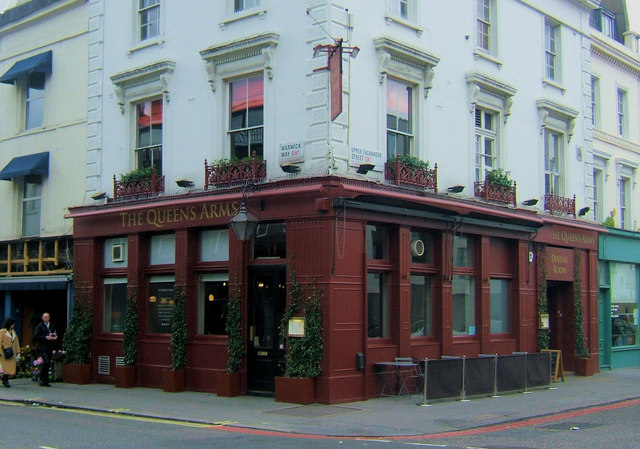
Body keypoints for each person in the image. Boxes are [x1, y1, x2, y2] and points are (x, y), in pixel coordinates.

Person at [34, 312, 57, 387]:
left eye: (48, 317)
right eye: (45, 317)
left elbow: (53, 333)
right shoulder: (39, 326)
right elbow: (36, 336)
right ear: (42, 318)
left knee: (48, 363)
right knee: (46, 362)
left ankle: (45, 380)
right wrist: (45, 337)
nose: (46, 318)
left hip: (49, 347)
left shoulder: (51, 325)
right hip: (42, 347)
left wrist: (54, 337)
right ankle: (42, 377)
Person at [0, 317, 20, 388]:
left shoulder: (13, 332)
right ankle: (5, 381)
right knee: (5, 368)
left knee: (10, 368)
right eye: (12, 324)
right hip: (4, 353)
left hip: (12, 353)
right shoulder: (2, 332)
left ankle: (5, 379)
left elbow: (16, 342)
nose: (13, 325)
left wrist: (18, 351)